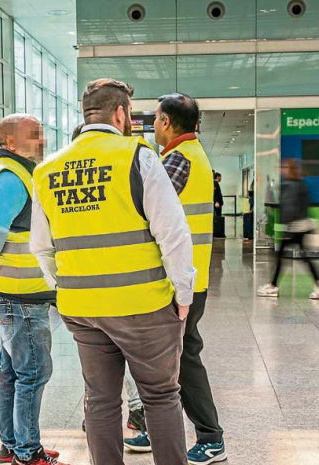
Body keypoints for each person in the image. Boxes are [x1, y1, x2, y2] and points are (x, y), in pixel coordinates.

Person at [30, 78, 195, 465]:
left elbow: (40, 246)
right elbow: (173, 234)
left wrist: (65, 285)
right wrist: (183, 294)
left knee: (100, 400)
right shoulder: (136, 156)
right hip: (142, 305)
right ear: (121, 114)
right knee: (160, 396)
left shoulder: (48, 169)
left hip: (82, 308)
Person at [123, 92, 226, 464]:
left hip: (181, 278)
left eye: (155, 119)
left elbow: (145, 207)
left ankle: (210, 437)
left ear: (166, 122)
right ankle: (160, 429)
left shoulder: (179, 159)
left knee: (181, 360)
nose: (153, 126)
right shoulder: (187, 154)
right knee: (175, 358)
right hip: (188, 275)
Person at [0, 114, 63, 465]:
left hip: (10, 293)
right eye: (33, 134)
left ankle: (11, 446)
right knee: (33, 372)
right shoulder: (12, 177)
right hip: (18, 295)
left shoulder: (17, 171)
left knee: (12, 372)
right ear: (10, 142)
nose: (41, 139)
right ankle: (27, 452)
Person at [256, 158, 319, 299]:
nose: (282, 170)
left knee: (282, 257)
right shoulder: (301, 185)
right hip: (301, 226)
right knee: (301, 257)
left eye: (285, 167)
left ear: (290, 169)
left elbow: (290, 208)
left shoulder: (291, 186)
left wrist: (286, 228)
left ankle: (273, 286)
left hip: (294, 228)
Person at [213, 172, 225, 238]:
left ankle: (218, 232)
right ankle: (218, 232)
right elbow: (215, 194)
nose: (221, 178)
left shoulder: (216, 184)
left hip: (218, 203)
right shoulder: (215, 184)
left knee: (218, 217)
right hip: (217, 204)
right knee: (217, 217)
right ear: (217, 177)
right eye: (220, 177)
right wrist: (216, 202)